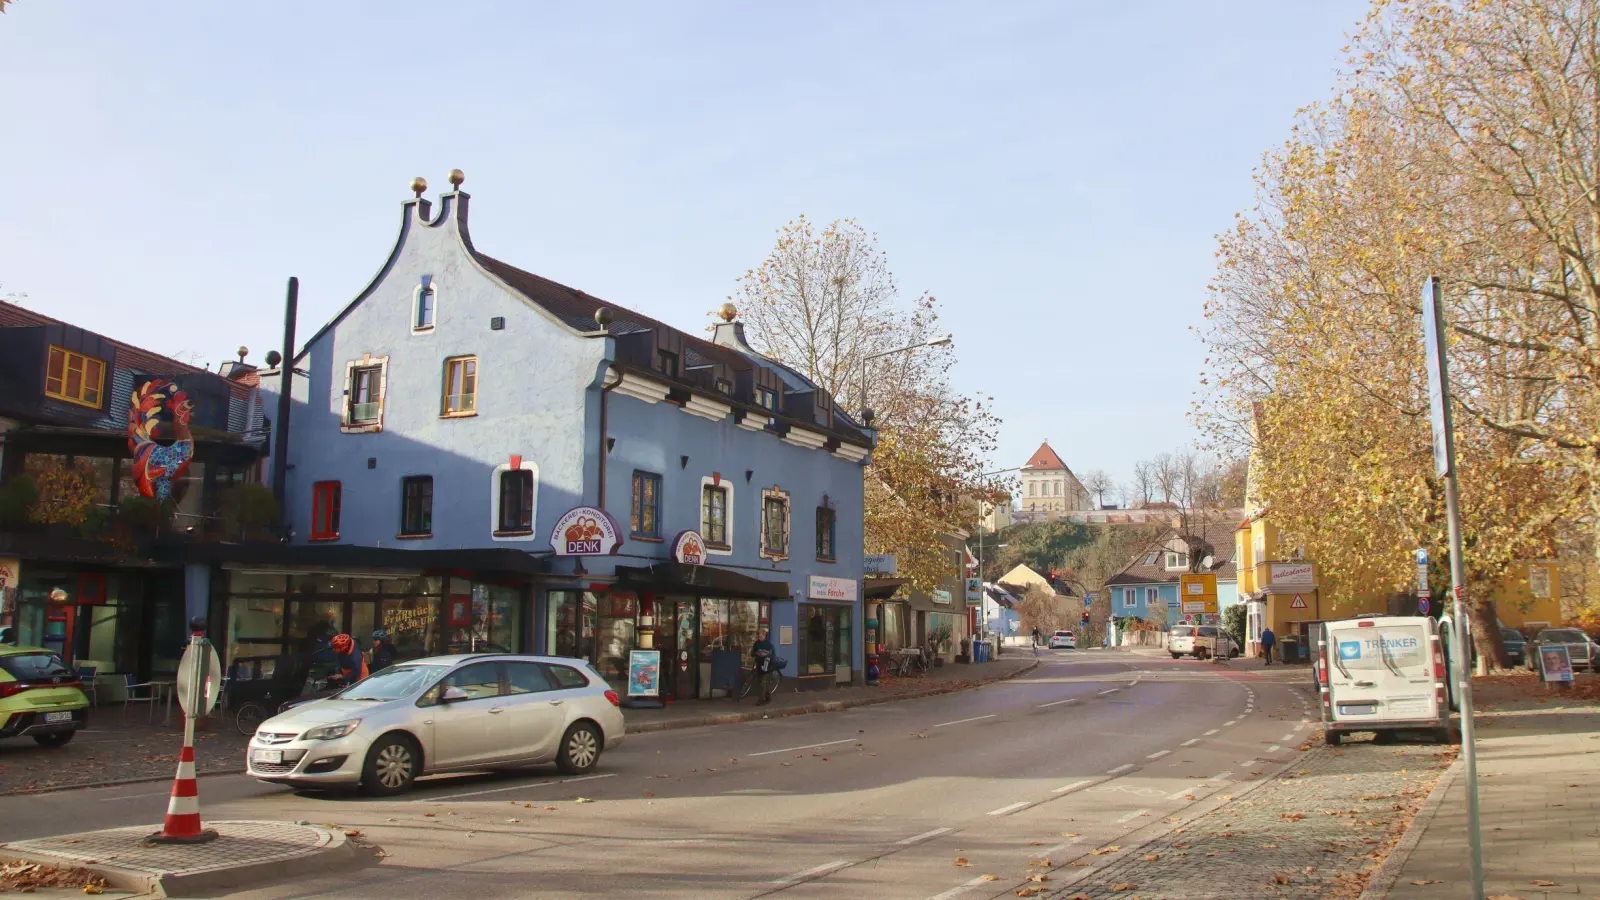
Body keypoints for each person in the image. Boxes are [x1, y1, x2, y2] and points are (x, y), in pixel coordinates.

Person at [750, 628, 777, 705]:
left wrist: (768, 657)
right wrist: (755, 653)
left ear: (764, 635)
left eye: (760, 636)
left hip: (767, 665)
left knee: (762, 682)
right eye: (758, 636)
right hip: (759, 664)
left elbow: (773, 655)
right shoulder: (757, 643)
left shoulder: (769, 644)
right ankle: (768, 696)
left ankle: (760, 700)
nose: (759, 637)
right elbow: (752, 652)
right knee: (761, 682)